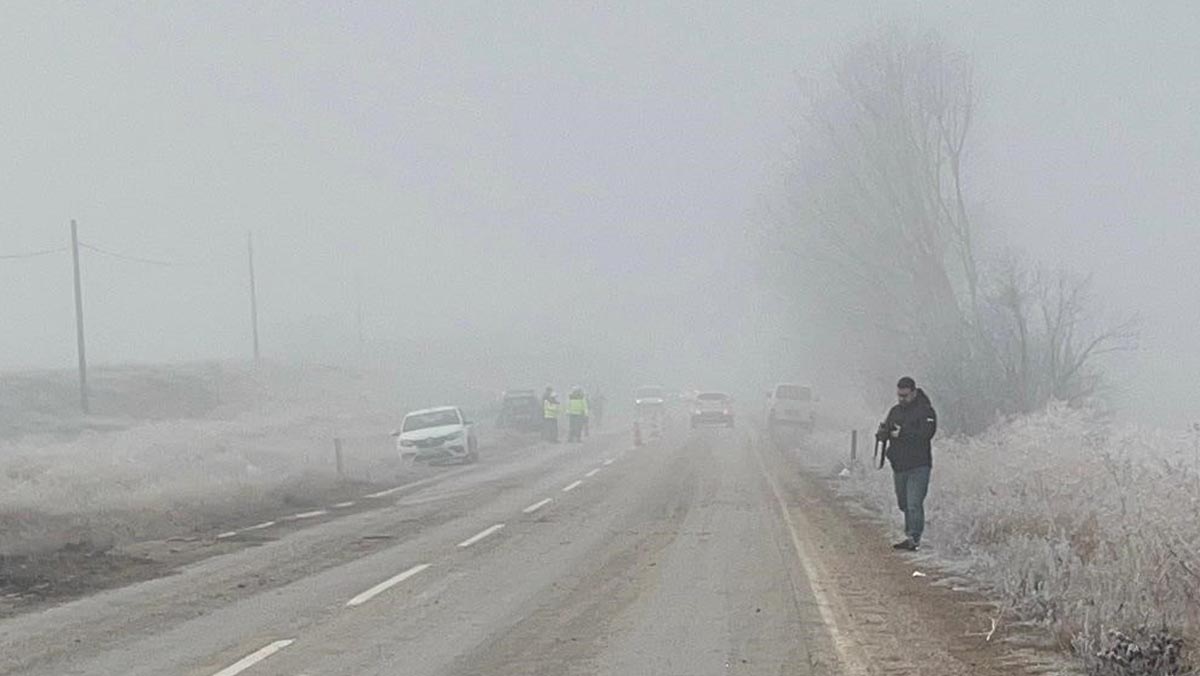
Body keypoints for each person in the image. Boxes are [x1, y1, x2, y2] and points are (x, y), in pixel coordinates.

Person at [876, 376, 937, 551]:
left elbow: (926, 434)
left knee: (914, 503)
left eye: (905, 395)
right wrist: (882, 434)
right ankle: (910, 534)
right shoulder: (895, 411)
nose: (902, 399)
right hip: (899, 465)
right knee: (903, 503)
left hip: (919, 465)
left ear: (914, 392)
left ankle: (914, 537)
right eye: (899, 396)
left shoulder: (926, 411)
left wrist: (903, 433)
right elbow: (887, 430)